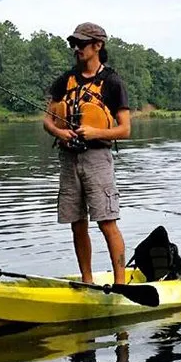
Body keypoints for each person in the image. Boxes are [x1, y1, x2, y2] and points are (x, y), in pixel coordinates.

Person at [42, 24, 131, 284]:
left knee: (106, 221)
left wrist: (95, 133)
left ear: (97, 46)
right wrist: (60, 134)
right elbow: (47, 121)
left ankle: (121, 284)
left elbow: (125, 129)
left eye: (81, 44)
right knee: (77, 223)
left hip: (97, 160)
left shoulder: (112, 82)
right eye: (74, 44)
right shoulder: (65, 79)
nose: (76, 49)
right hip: (68, 159)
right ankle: (87, 280)